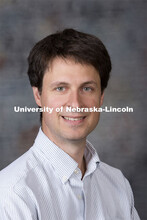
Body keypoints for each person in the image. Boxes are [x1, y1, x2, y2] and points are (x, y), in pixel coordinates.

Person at [0, 29, 140, 220]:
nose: (75, 103)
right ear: (38, 95)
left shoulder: (118, 185)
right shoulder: (12, 193)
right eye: (60, 88)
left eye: (87, 88)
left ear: (101, 98)